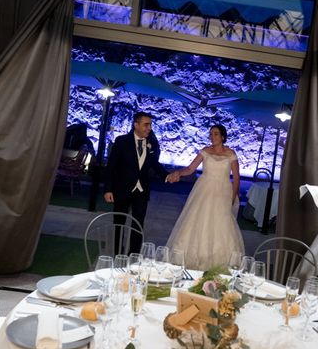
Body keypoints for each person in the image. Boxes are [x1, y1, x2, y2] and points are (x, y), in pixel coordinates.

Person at [166, 124, 244, 270]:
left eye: (215, 134)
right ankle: (194, 257)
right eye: (211, 134)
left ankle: (218, 260)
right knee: (198, 220)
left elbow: (237, 178)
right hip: (204, 189)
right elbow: (190, 169)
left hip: (222, 191)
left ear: (222, 137)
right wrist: (178, 173)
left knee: (220, 223)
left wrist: (233, 198)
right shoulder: (205, 151)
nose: (212, 137)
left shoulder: (231, 154)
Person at [103, 112, 171, 254]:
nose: (149, 128)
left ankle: (133, 257)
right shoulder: (121, 141)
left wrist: (167, 176)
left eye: (150, 125)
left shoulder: (151, 143)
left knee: (138, 225)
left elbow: (155, 164)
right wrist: (108, 189)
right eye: (146, 124)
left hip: (141, 191)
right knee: (119, 224)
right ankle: (117, 255)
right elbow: (111, 167)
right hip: (122, 189)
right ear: (136, 125)